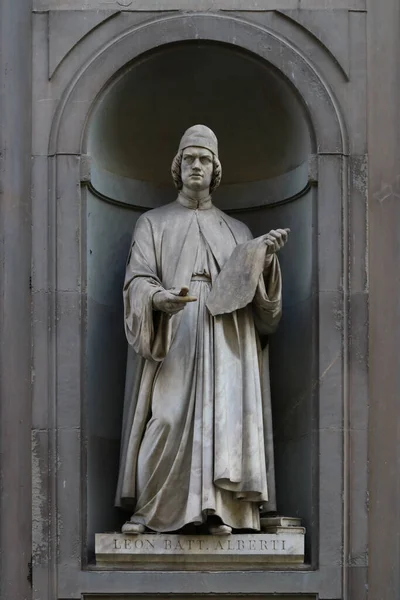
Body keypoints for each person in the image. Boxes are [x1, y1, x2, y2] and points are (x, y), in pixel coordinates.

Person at [115, 125, 289, 535]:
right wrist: (158, 300)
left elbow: (260, 307)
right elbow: (136, 280)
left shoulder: (237, 231)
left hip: (227, 335)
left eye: (205, 159)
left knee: (226, 418)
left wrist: (264, 261)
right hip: (176, 329)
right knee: (169, 417)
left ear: (216, 170)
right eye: (190, 158)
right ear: (178, 167)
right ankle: (151, 506)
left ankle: (221, 510)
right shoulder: (153, 223)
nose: (197, 165)